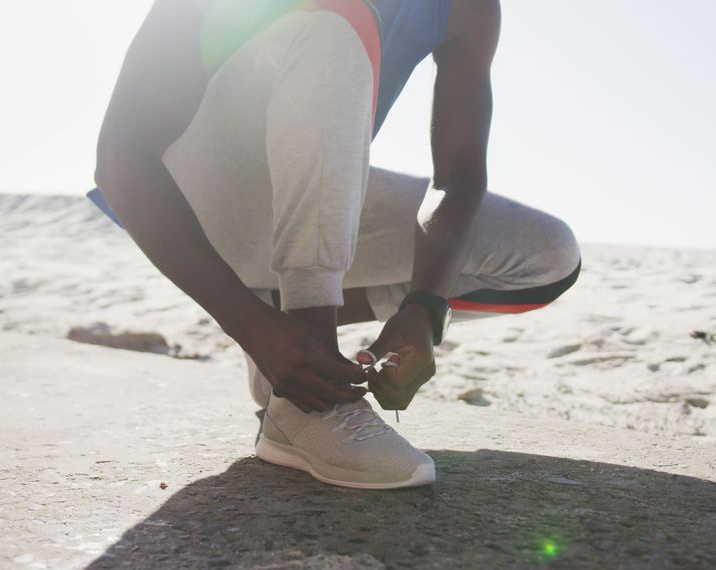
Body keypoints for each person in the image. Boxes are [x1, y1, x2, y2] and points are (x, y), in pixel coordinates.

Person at [92, 0, 581, 489]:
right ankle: (310, 398)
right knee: (339, 19)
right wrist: (245, 323)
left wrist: (426, 305)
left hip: (308, 204)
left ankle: (298, 343)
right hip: (193, 205)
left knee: (547, 256)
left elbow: (456, 177)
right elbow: (120, 158)